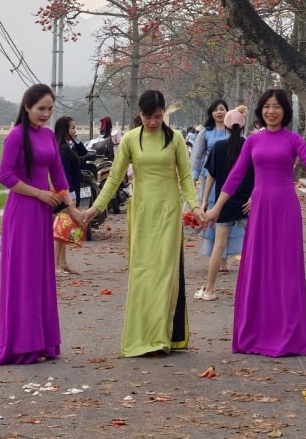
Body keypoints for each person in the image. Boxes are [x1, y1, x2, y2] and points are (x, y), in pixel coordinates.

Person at [204, 88, 306, 357]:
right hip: (260, 209)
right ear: (260, 111)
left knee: (285, 270)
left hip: (286, 209)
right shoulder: (253, 141)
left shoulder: (293, 139)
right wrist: (216, 208)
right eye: (267, 106)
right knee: (258, 268)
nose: (271, 111)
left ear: (285, 111)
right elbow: (235, 175)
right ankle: (256, 333)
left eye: (277, 106)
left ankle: (287, 336)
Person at [81, 89, 204, 357]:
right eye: (149, 117)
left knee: (165, 273)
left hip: (169, 211)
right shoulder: (130, 139)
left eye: (158, 116)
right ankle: (141, 335)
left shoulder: (175, 139)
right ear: (140, 113)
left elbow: (185, 177)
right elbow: (114, 178)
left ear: (164, 114)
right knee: (143, 272)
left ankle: (160, 338)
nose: (153, 122)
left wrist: (195, 207)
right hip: (142, 212)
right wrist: (95, 208)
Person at [0, 84, 83, 366]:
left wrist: (72, 209)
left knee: (41, 275)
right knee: (24, 276)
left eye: (50, 109)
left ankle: (42, 342)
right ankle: (22, 345)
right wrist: (39, 193)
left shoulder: (47, 136)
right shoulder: (16, 136)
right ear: (27, 107)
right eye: (40, 108)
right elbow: (5, 176)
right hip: (22, 213)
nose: (45, 114)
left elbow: (58, 175)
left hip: (42, 214)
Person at [194, 108, 254, 301]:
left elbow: (210, 176)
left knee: (218, 245)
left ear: (226, 127)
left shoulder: (218, 147)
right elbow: (260, 174)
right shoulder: (250, 146)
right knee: (252, 246)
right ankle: (255, 291)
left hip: (224, 202)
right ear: (243, 126)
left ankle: (209, 290)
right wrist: (253, 197)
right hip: (246, 203)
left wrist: (205, 201)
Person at [53, 116, 88, 274]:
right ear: (64, 130)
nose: (75, 131)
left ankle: (62, 262)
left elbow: (84, 152)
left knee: (64, 229)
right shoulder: (62, 149)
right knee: (61, 230)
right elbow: (64, 175)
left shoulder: (69, 146)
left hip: (70, 192)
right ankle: (56, 265)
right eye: (73, 128)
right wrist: (70, 197)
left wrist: (75, 137)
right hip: (67, 194)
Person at [190, 98, 229, 202]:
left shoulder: (234, 132)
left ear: (227, 111)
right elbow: (197, 156)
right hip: (210, 175)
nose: (219, 112)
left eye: (222, 109)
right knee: (209, 203)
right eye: (215, 110)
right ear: (211, 113)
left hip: (229, 174)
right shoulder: (205, 132)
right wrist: (194, 176)